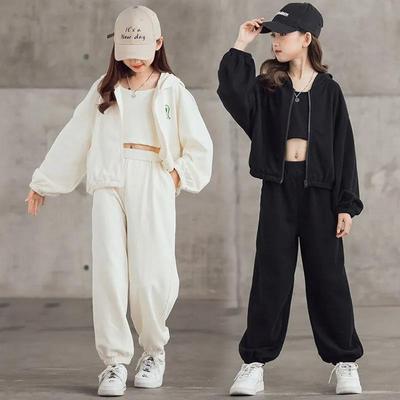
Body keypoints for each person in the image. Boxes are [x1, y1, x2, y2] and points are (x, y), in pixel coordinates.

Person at [26, 5, 213, 397]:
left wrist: (176, 175)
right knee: (110, 272)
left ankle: (153, 352)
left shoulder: (172, 89)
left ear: (159, 43)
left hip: (153, 178)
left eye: (142, 50)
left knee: (152, 273)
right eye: (127, 51)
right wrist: (44, 182)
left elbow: (199, 144)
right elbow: (76, 135)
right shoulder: (104, 88)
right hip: (108, 180)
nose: (135, 58)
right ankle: (113, 362)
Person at [217, 2, 363, 396]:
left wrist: (346, 204)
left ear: (307, 38)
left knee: (328, 278)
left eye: (283, 34)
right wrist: (241, 44)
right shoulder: (269, 88)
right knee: (271, 276)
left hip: (321, 192)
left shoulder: (330, 91)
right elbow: (232, 93)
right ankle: (254, 364)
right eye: (274, 34)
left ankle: (345, 361)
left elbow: (344, 149)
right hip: (279, 189)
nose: (276, 41)